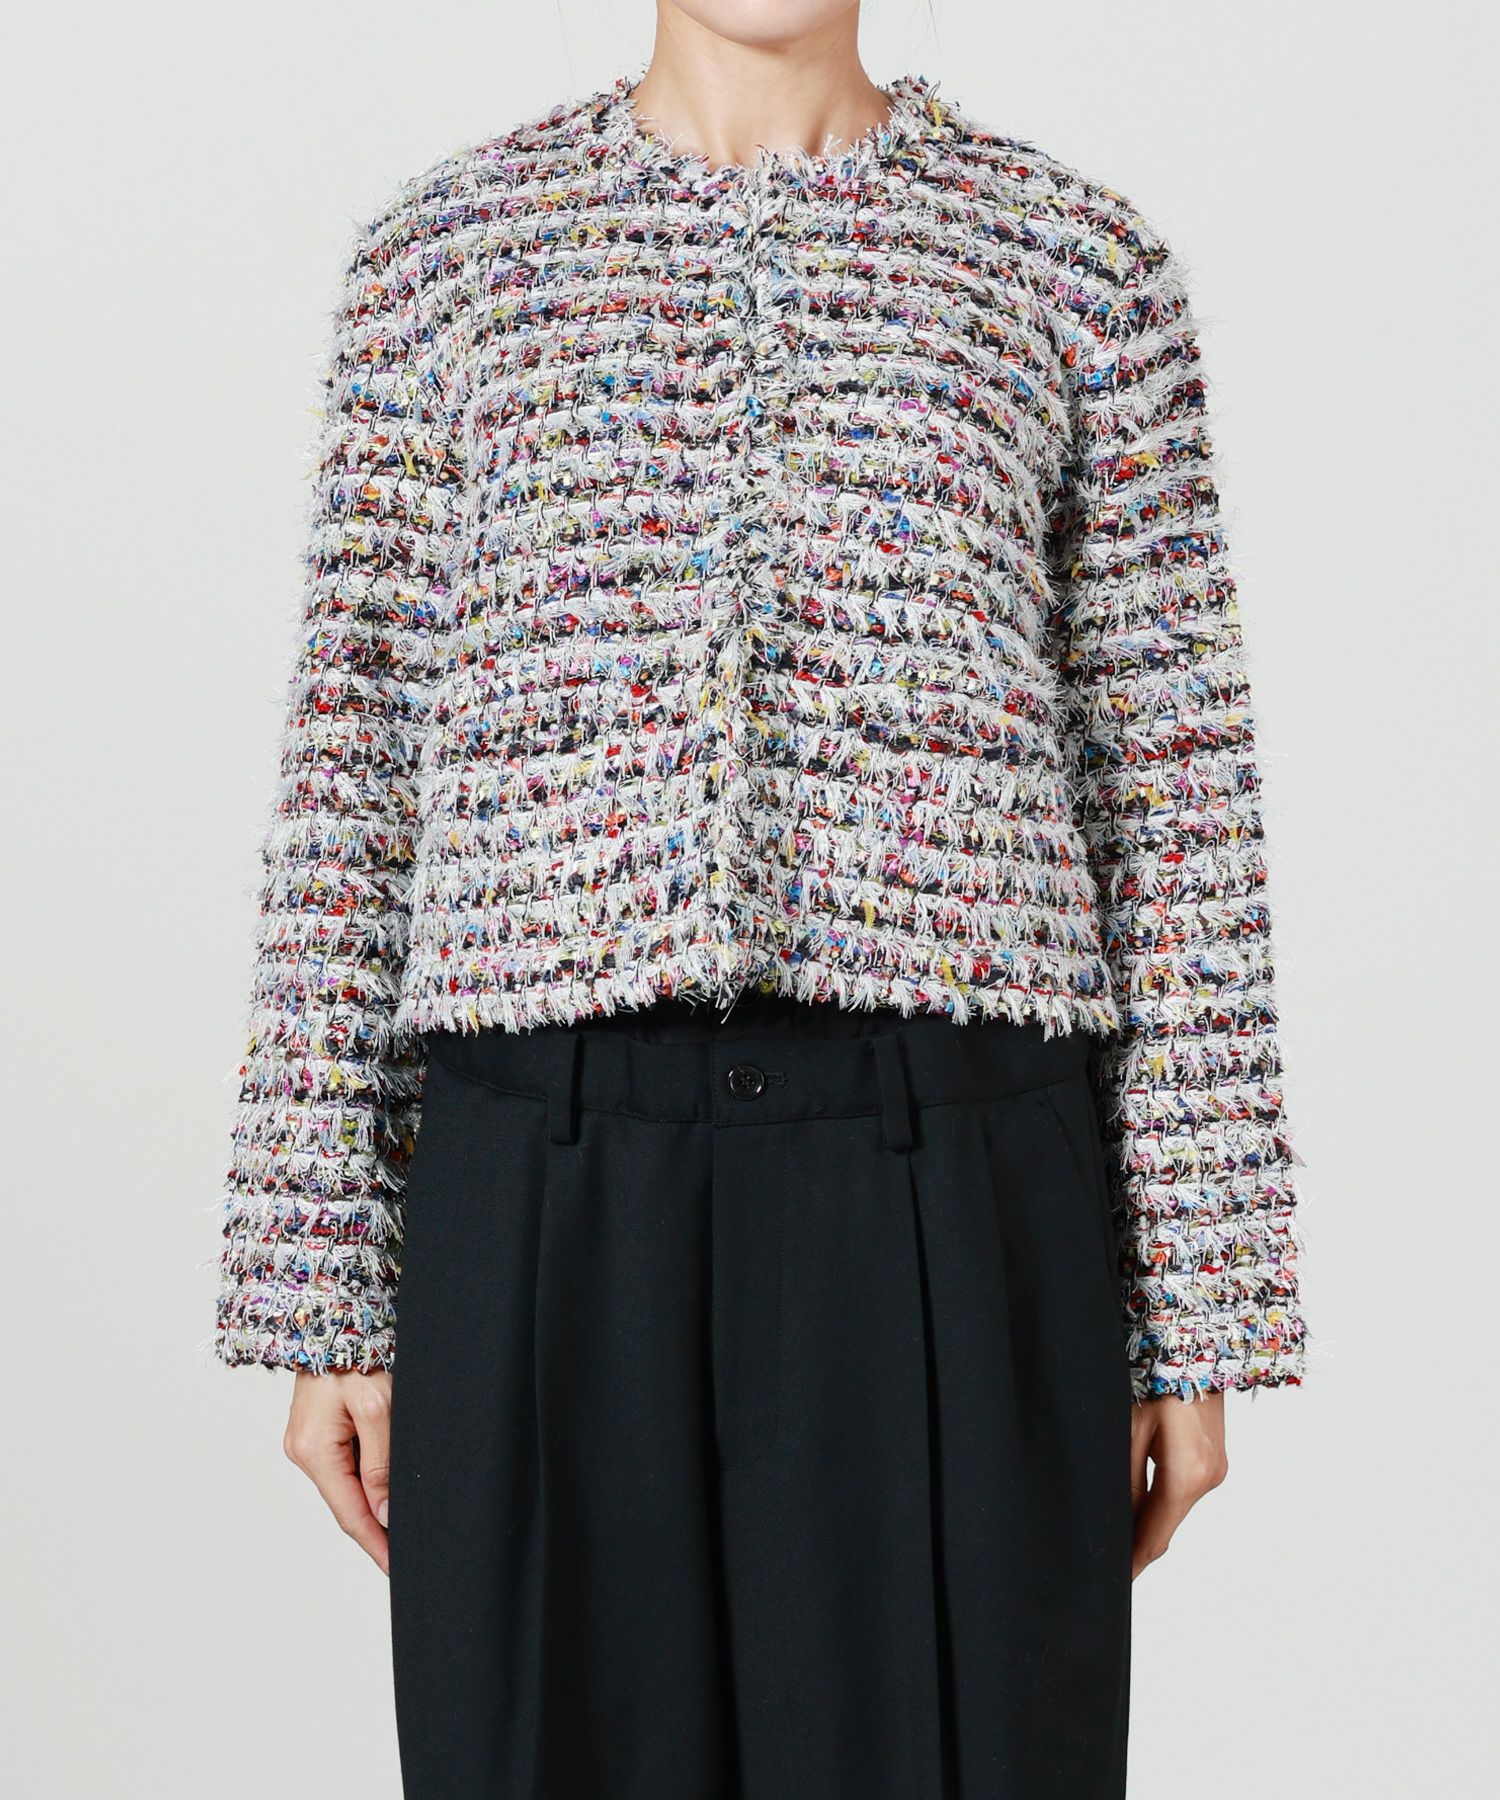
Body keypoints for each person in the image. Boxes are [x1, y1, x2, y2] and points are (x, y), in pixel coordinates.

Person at [214, 3, 1307, 1794]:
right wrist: (320, 1272)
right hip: (543, 1179)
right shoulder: (446, 258)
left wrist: (1201, 1299)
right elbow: (357, 754)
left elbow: (1172, 791)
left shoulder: (1077, 263)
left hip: (954, 1177)